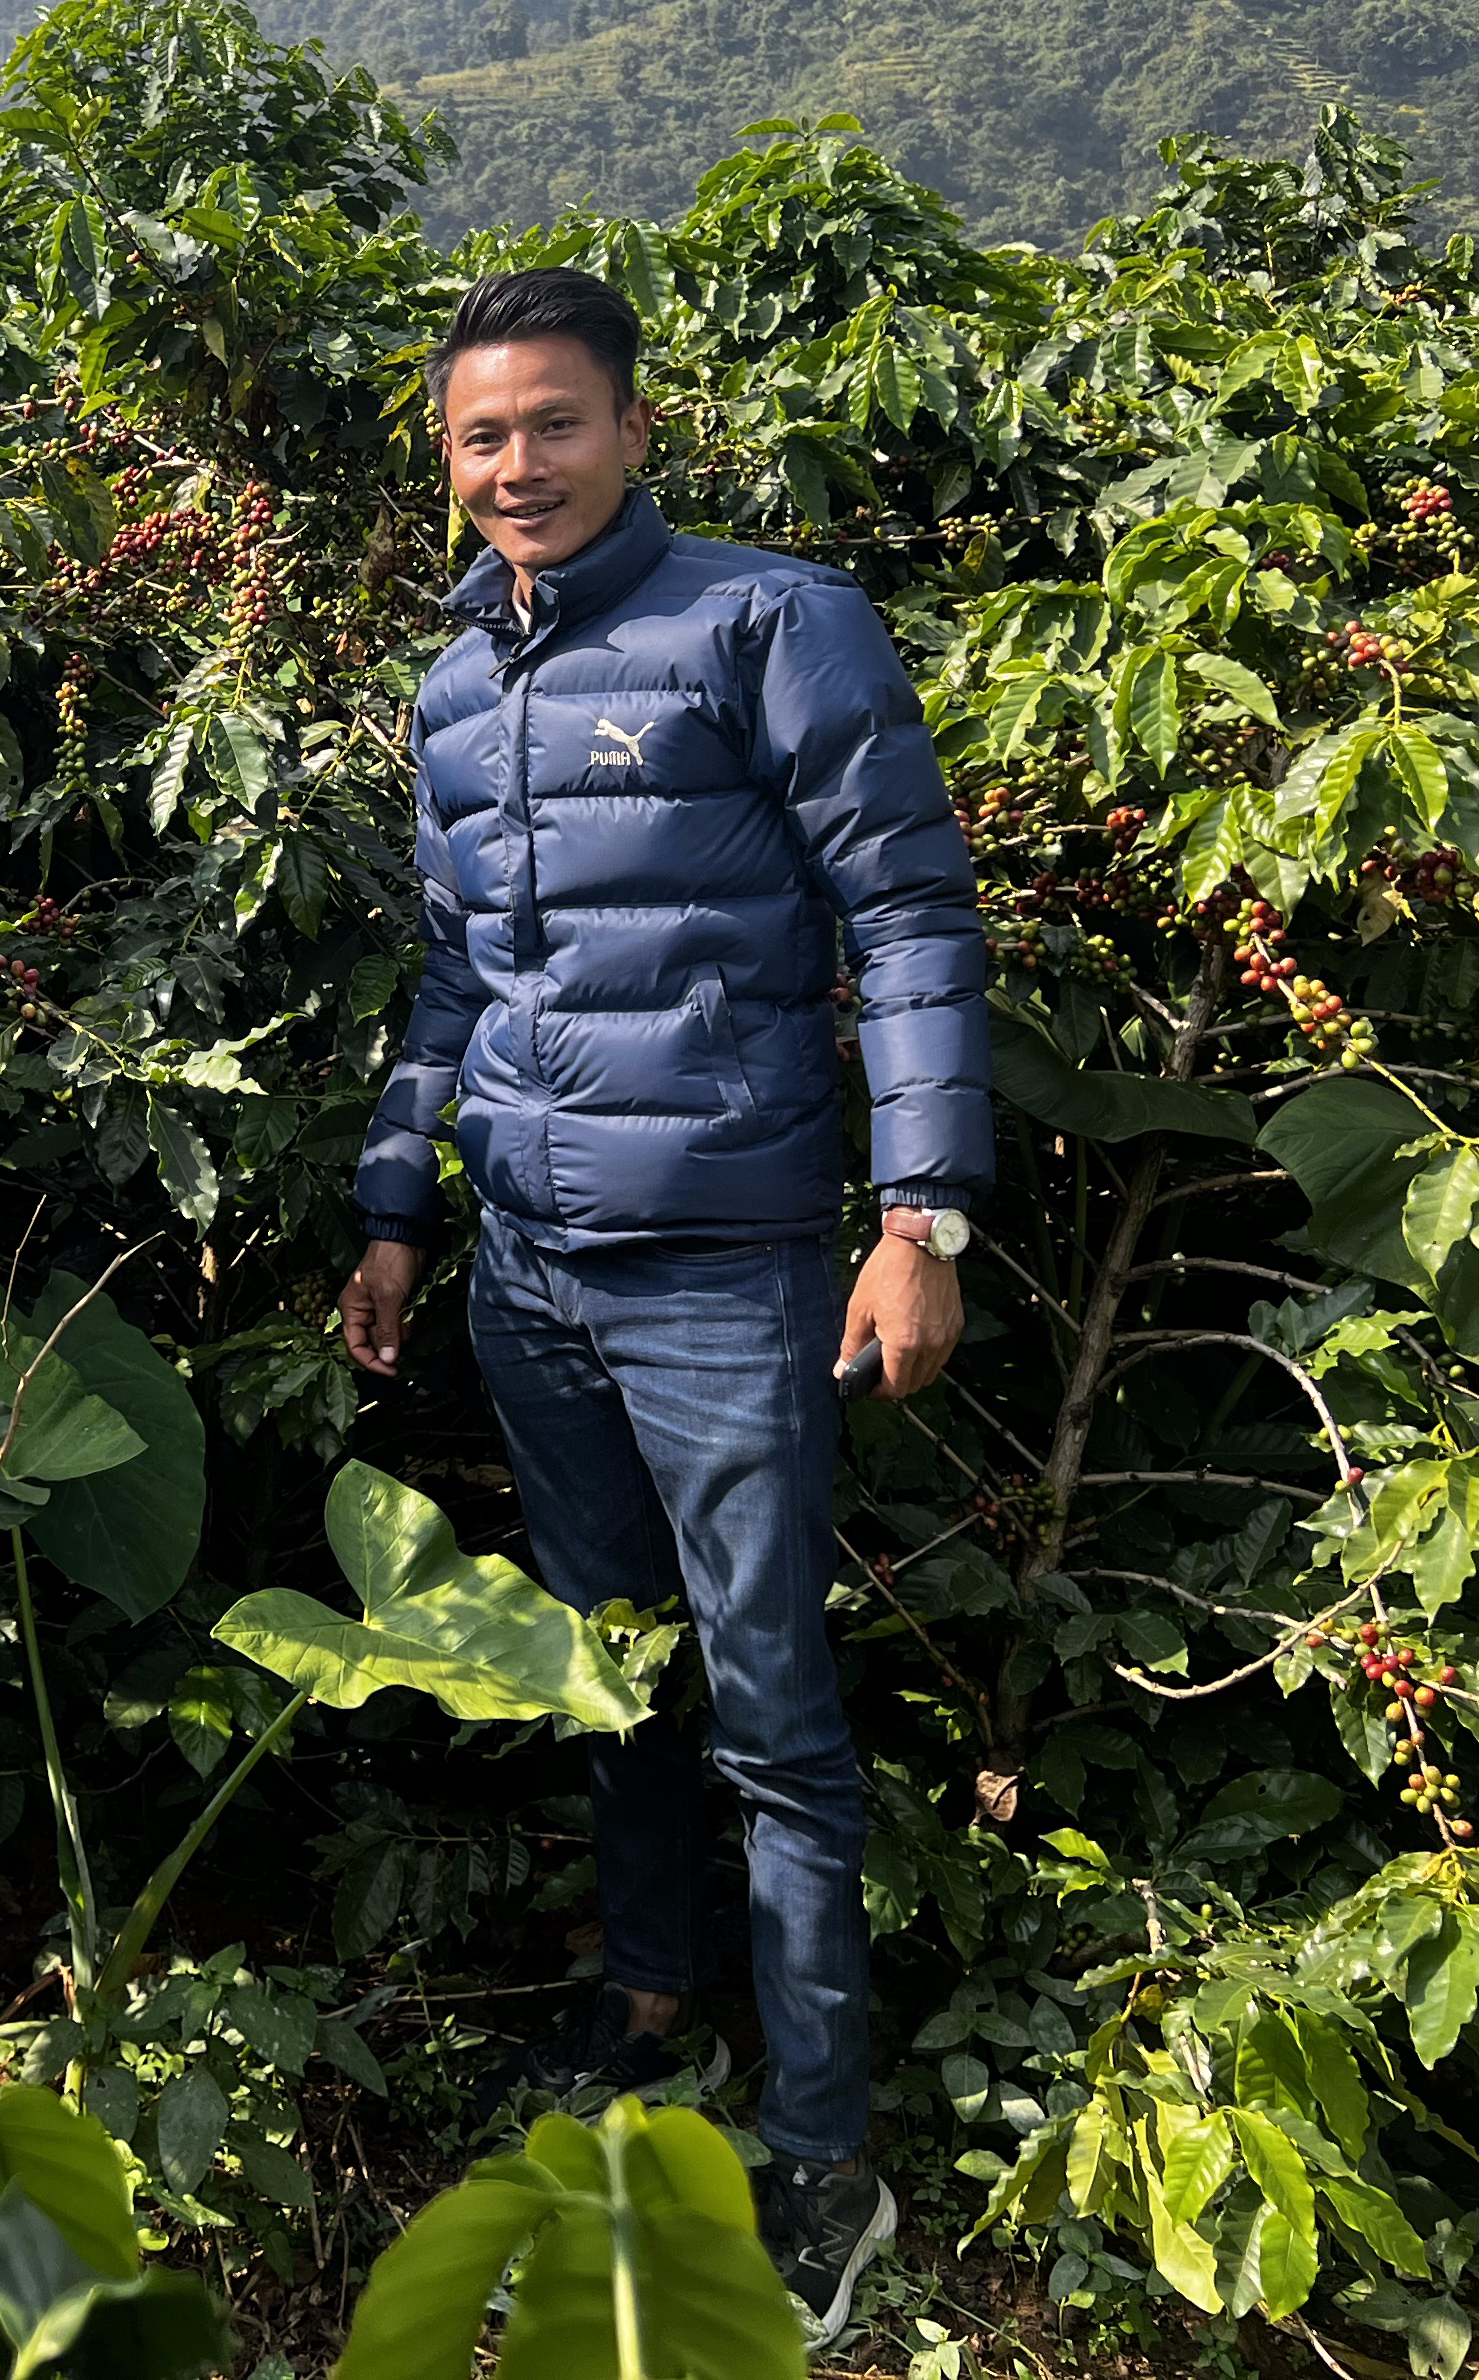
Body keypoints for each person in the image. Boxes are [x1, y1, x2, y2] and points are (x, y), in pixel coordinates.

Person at [336, 264, 991, 2346]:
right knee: (608, 1671)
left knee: (776, 1715)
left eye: (550, 424)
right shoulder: (454, 693)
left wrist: (926, 1218)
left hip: (727, 1266)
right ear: (448, 465)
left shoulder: (766, 622)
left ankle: (824, 2162)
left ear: (633, 428)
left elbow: (905, 913)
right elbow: (459, 980)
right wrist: (393, 1215)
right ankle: (648, 2016)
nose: (514, 465)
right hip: (527, 1266)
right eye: (478, 437)